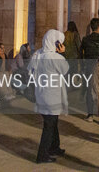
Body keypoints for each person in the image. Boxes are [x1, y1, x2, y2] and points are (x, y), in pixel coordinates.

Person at [28, 29, 69, 163]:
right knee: (49, 125)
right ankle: (42, 155)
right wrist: (63, 53)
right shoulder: (56, 58)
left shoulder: (38, 54)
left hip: (41, 93)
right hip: (52, 95)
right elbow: (66, 69)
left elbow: (30, 71)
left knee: (52, 121)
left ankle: (54, 147)